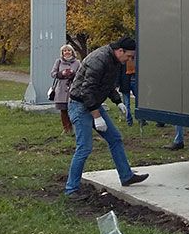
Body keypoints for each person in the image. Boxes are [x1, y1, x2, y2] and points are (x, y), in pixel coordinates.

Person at [64, 36, 149, 198]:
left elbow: (107, 84)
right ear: (120, 51)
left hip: (92, 103)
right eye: (129, 56)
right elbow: (86, 91)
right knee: (84, 147)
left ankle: (126, 176)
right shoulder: (99, 60)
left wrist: (118, 102)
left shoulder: (116, 61)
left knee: (115, 138)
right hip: (80, 105)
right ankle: (71, 189)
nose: (130, 60)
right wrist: (97, 116)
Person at [50, 44, 80, 134]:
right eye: (65, 51)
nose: (67, 52)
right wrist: (62, 73)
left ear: (72, 52)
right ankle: (66, 128)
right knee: (63, 110)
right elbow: (53, 73)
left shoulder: (77, 62)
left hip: (73, 88)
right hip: (61, 88)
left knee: (73, 109)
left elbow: (81, 74)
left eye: (69, 50)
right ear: (62, 53)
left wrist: (72, 74)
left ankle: (75, 128)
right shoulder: (58, 61)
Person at [117, 53, 136, 127]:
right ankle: (142, 120)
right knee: (139, 102)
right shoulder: (136, 57)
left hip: (125, 82)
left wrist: (117, 83)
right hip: (134, 80)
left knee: (126, 103)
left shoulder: (123, 58)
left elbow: (119, 71)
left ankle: (129, 121)